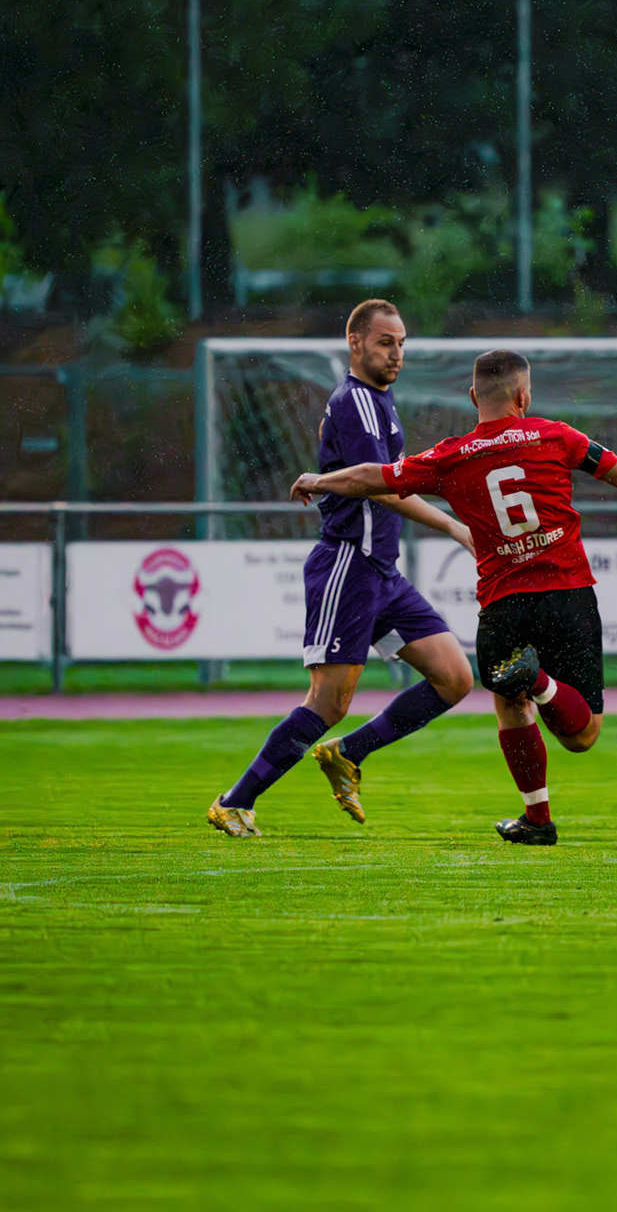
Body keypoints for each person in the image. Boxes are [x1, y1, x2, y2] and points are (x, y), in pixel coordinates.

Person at [291, 349, 617, 846]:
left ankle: (538, 819)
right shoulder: (557, 436)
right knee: (583, 734)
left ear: (472, 397)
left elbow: (373, 476)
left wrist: (320, 480)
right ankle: (542, 683)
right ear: (523, 395)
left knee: (511, 707)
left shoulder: (449, 457)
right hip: (567, 592)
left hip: (503, 604)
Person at [207, 300, 476, 837]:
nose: (396, 352)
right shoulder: (355, 402)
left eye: (401, 343)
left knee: (454, 677)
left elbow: (387, 478)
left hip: (382, 572)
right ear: (356, 343)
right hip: (348, 566)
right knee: (329, 702)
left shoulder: (381, 400)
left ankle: (347, 754)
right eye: (385, 342)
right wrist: (453, 525)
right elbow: (383, 483)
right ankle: (235, 802)